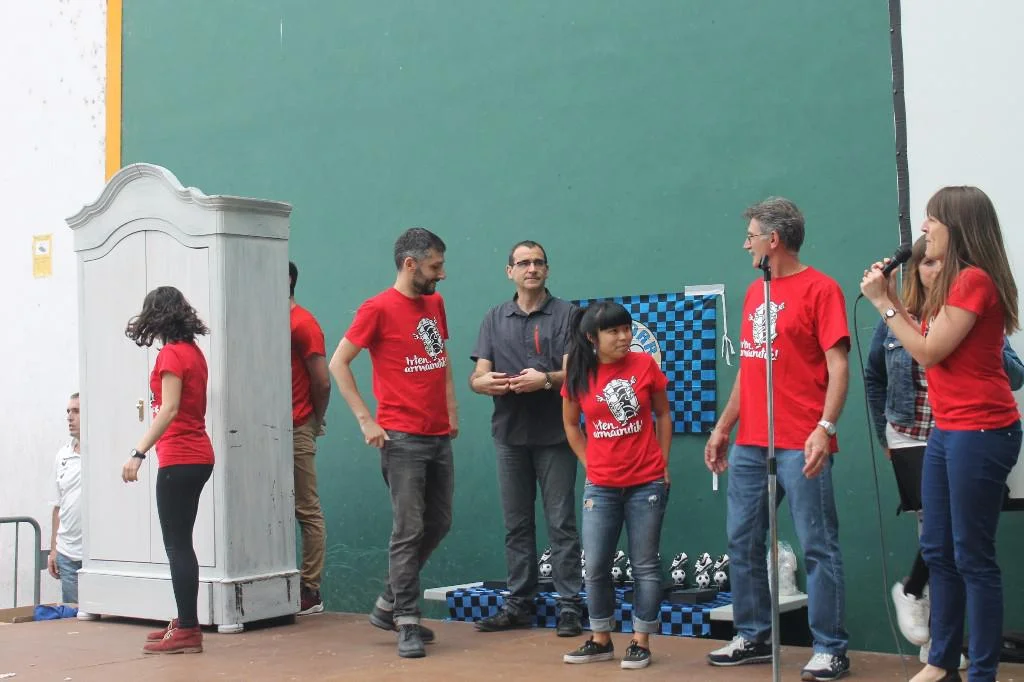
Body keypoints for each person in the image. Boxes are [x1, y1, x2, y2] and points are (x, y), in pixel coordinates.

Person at [861, 186, 1021, 682]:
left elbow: (929, 353)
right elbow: (924, 340)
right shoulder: (950, 286)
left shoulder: (975, 281)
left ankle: (982, 672)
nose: (925, 227)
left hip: (982, 430)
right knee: (937, 551)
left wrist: (882, 304)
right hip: (947, 432)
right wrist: (892, 297)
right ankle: (941, 662)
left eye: (933, 219)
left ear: (958, 226)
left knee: (973, 555)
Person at [704, 197, 851, 681]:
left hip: (802, 440)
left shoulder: (822, 289)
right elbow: (750, 368)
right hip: (751, 442)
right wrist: (724, 427)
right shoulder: (754, 292)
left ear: (774, 240)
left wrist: (825, 428)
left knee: (818, 545)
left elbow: (838, 366)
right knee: (743, 540)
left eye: (751, 236)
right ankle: (753, 635)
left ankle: (830, 648)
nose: (745, 244)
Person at [329, 227, 456, 659]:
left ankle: (388, 602)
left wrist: (452, 411)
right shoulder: (377, 308)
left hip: (438, 434)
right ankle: (406, 620)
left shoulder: (435, 303)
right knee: (409, 529)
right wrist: (366, 419)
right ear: (410, 263)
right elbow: (339, 362)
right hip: (400, 437)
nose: (441, 274)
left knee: (439, 522)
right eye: (435, 266)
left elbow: (441, 359)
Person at [469, 240, 583, 637]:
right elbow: (477, 377)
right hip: (509, 435)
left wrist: (545, 380)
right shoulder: (493, 318)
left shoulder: (568, 314)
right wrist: (485, 383)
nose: (531, 269)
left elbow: (575, 374)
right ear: (510, 271)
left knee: (561, 523)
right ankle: (519, 603)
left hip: (556, 435)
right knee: (516, 525)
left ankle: (569, 606)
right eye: (523, 263)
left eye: (538, 262)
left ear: (547, 270)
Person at [559, 301, 672, 670]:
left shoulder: (645, 365)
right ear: (593, 338)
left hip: (647, 482)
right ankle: (600, 638)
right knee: (595, 566)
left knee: (645, 565)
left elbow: (663, 414)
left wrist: (663, 462)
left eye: (626, 329)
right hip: (601, 487)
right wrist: (589, 463)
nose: (624, 337)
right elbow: (571, 424)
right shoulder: (579, 373)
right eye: (614, 331)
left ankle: (640, 641)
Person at [122, 286, 214, 655]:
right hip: (197, 455)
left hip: (180, 457)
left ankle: (188, 630)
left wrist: (138, 452)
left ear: (156, 316)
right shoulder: (193, 352)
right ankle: (186, 620)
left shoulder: (172, 354)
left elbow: (170, 409)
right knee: (182, 543)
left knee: (177, 545)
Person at [289, 261, 332, 615]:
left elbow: (322, 381)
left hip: (297, 425)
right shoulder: (262, 320)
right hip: (261, 430)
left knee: (306, 508)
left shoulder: (303, 323)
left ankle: (310, 589)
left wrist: (315, 419)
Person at [47, 393, 83, 604]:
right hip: (67, 555)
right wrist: (54, 550)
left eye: (76, 411)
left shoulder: (101, 453)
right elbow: (57, 506)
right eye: (68, 411)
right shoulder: (62, 455)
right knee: (72, 615)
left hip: (94, 556)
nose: (69, 417)